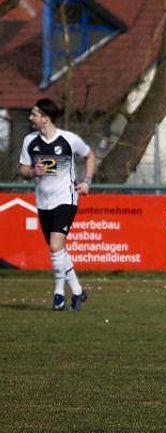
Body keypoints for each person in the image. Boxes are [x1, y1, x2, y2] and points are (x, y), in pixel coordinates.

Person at [18, 98, 95, 311]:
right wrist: (33, 171)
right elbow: (23, 170)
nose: (30, 118)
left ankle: (58, 294)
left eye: (34, 114)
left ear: (45, 118)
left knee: (55, 246)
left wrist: (87, 182)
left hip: (66, 199)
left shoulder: (68, 139)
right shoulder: (29, 141)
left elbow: (89, 155)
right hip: (43, 201)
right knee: (58, 249)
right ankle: (77, 291)